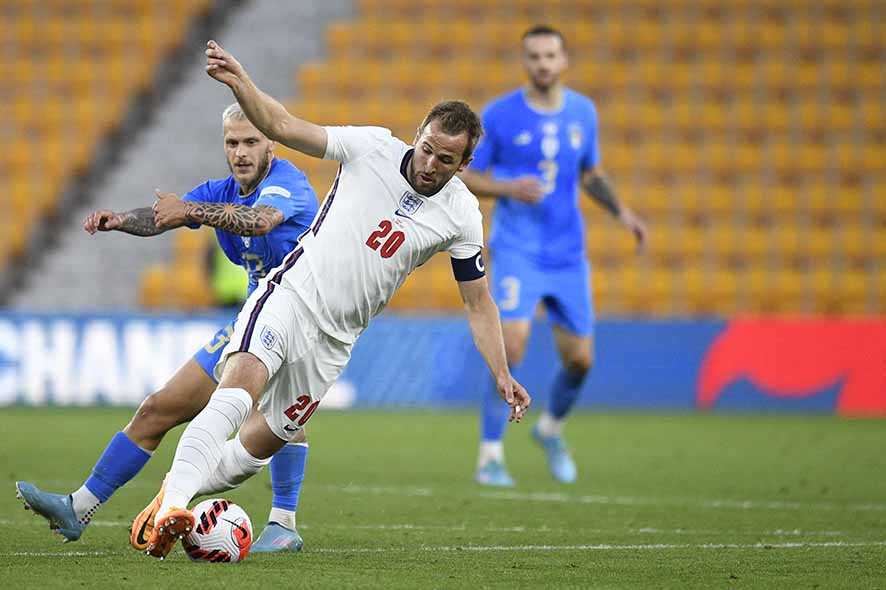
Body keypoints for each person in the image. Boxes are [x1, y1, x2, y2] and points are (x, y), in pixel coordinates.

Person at [135, 40, 532, 559]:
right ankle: (174, 510)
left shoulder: (462, 214)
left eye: (446, 159)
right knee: (236, 392)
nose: (430, 163)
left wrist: (501, 373)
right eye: (428, 148)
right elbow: (281, 126)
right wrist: (241, 83)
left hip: (336, 341)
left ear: (465, 164)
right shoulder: (371, 147)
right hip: (293, 295)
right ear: (418, 134)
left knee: (257, 449)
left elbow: (478, 303)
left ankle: (170, 498)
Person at [15, 103, 318, 553]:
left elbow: (260, 221)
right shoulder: (221, 189)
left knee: (276, 418)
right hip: (250, 318)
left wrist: (193, 209)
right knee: (158, 408)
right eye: (232, 142)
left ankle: (283, 520)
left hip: (300, 314)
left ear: (271, 142)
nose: (240, 152)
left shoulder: (287, 184)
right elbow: (166, 215)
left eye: (251, 141)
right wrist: (121, 221)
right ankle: (78, 507)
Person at [459, 25, 648, 487]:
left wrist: (623, 213)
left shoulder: (583, 112)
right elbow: (466, 176)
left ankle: (550, 430)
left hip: (568, 254)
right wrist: (508, 188)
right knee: (515, 345)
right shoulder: (500, 115)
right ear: (525, 62)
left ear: (564, 61)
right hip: (519, 249)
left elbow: (591, 173)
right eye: (534, 56)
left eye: (550, 56)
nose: (543, 63)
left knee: (581, 360)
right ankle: (490, 455)